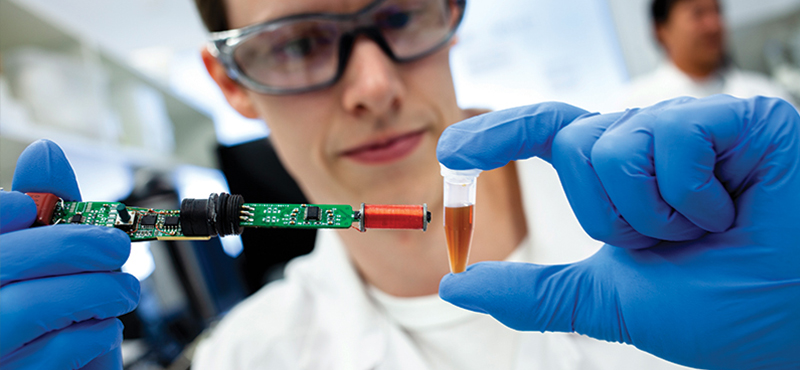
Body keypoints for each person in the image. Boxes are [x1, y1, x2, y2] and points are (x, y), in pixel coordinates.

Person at [0, 1, 797, 370]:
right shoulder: (250, 359)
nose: (374, 85)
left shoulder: (709, 220)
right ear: (232, 82)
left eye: (403, 16)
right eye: (298, 43)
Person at [622, 0, 796, 108]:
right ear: (661, 31)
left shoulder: (766, 93)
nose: (714, 25)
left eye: (717, 11)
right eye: (698, 14)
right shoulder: (636, 104)